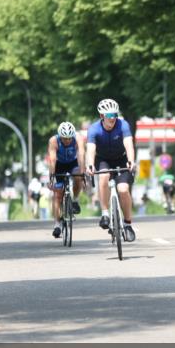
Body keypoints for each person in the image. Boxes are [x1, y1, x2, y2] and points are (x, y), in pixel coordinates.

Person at [85, 98, 137, 242]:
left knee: (123, 190)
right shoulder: (94, 129)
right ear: (102, 116)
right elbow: (90, 150)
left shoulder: (123, 125)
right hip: (103, 160)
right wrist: (90, 165)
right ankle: (105, 213)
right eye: (109, 115)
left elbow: (128, 144)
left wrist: (131, 160)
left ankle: (127, 224)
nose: (112, 118)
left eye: (114, 114)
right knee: (103, 176)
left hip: (121, 159)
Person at [47, 121, 85, 238]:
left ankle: (75, 200)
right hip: (59, 165)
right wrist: (52, 176)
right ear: (60, 136)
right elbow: (52, 160)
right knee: (58, 194)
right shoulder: (54, 141)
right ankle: (57, 224)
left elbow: (81, 155)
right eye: (64, 138)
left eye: (69, 138)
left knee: (78, 176)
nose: (67, 141)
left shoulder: (78, 138)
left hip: (73, 163)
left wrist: (83, 172)